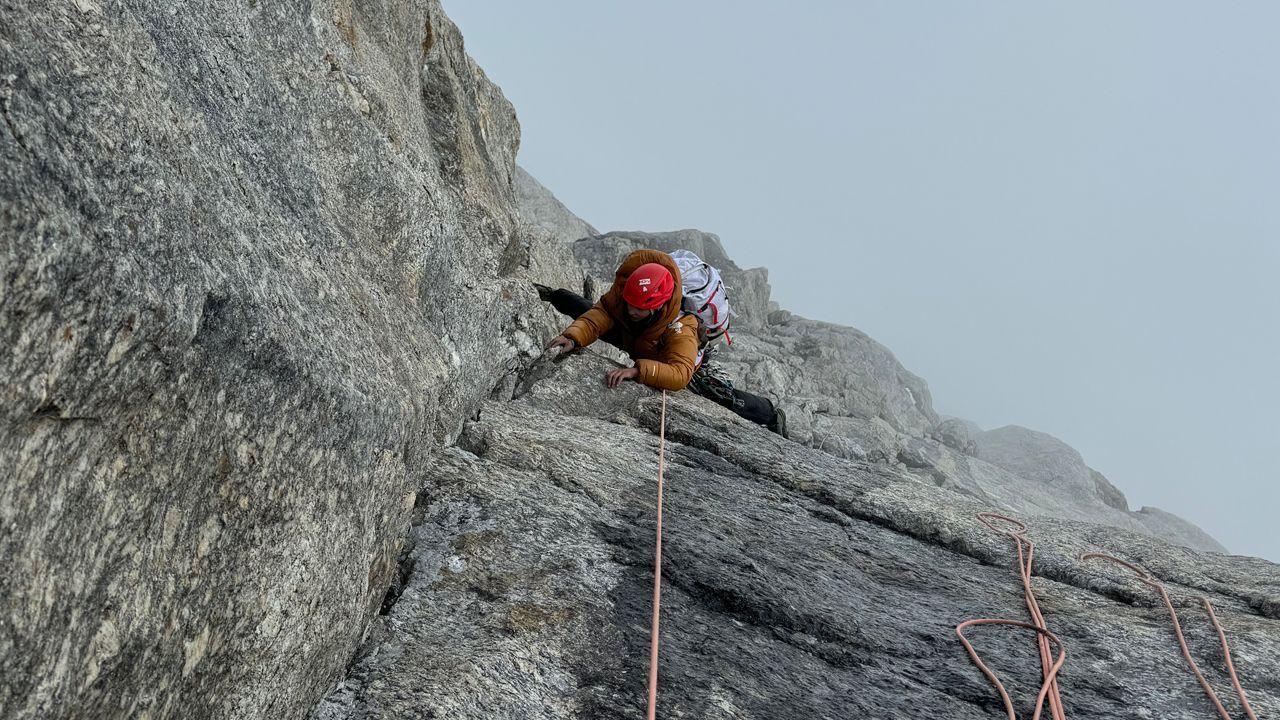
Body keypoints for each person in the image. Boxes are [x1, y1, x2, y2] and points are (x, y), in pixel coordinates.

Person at [539, 249, 788, 437]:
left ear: (659, 305)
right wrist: (573, 336)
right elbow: (603, 313)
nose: (631, 310)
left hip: (672, 354)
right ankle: (551, 294)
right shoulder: (627, 290)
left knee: (719, 395)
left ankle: (769, 414)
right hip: (637, 339)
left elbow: (679, 373)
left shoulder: (682, 327)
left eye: (639, 308)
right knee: (592, 312)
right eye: (629, 303)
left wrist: (638, 370)